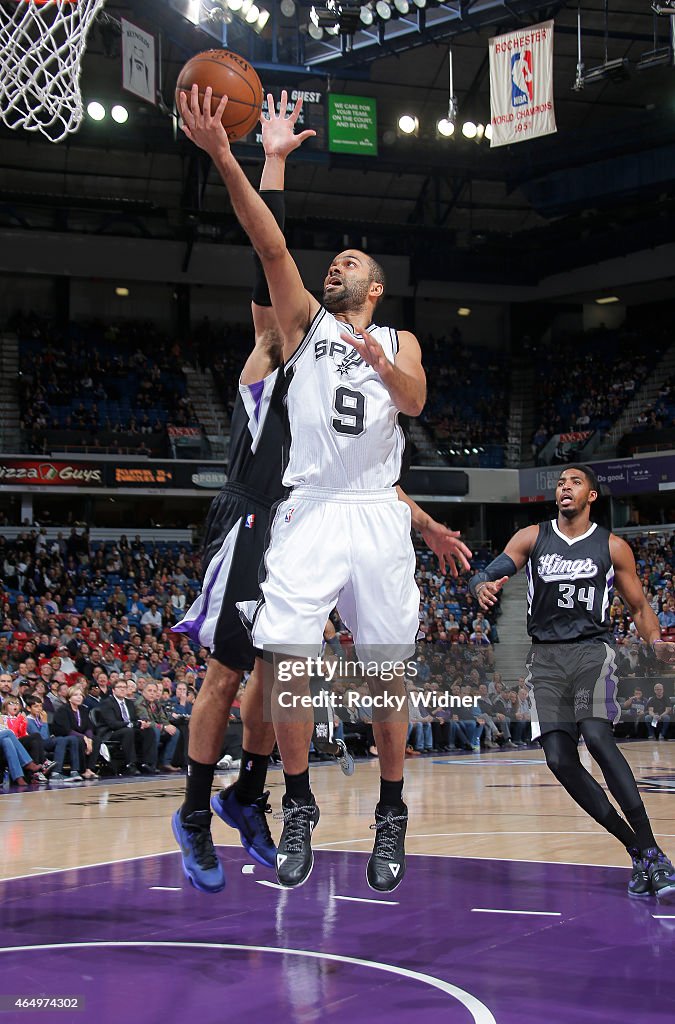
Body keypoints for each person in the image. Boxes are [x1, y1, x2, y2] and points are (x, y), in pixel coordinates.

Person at [174, 88, 472, 894]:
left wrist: (382, 363)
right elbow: (267, 244)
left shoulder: (397, 336)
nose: (336, 264)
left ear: (375, 288)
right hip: (301, 508)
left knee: (382, 679)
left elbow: (411, 402)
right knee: (288, 665)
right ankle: (292, 803)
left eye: (353, 264)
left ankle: (390, 811)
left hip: (375, 514)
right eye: (331, 261)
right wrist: (234, 159)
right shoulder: (297, 323)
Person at [471, 464, 675, 899]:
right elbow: (490, 570)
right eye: (561, 483)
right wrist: (481, 584)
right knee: (560, 761)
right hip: (545, 658)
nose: (565, 487)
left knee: (598, 739)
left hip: (591, 652)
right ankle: (640, 851)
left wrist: (656, 641)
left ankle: (652, 851)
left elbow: (639, 607)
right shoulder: (532, 536)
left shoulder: (613, 546)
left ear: (592, 496)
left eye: (574, 482)